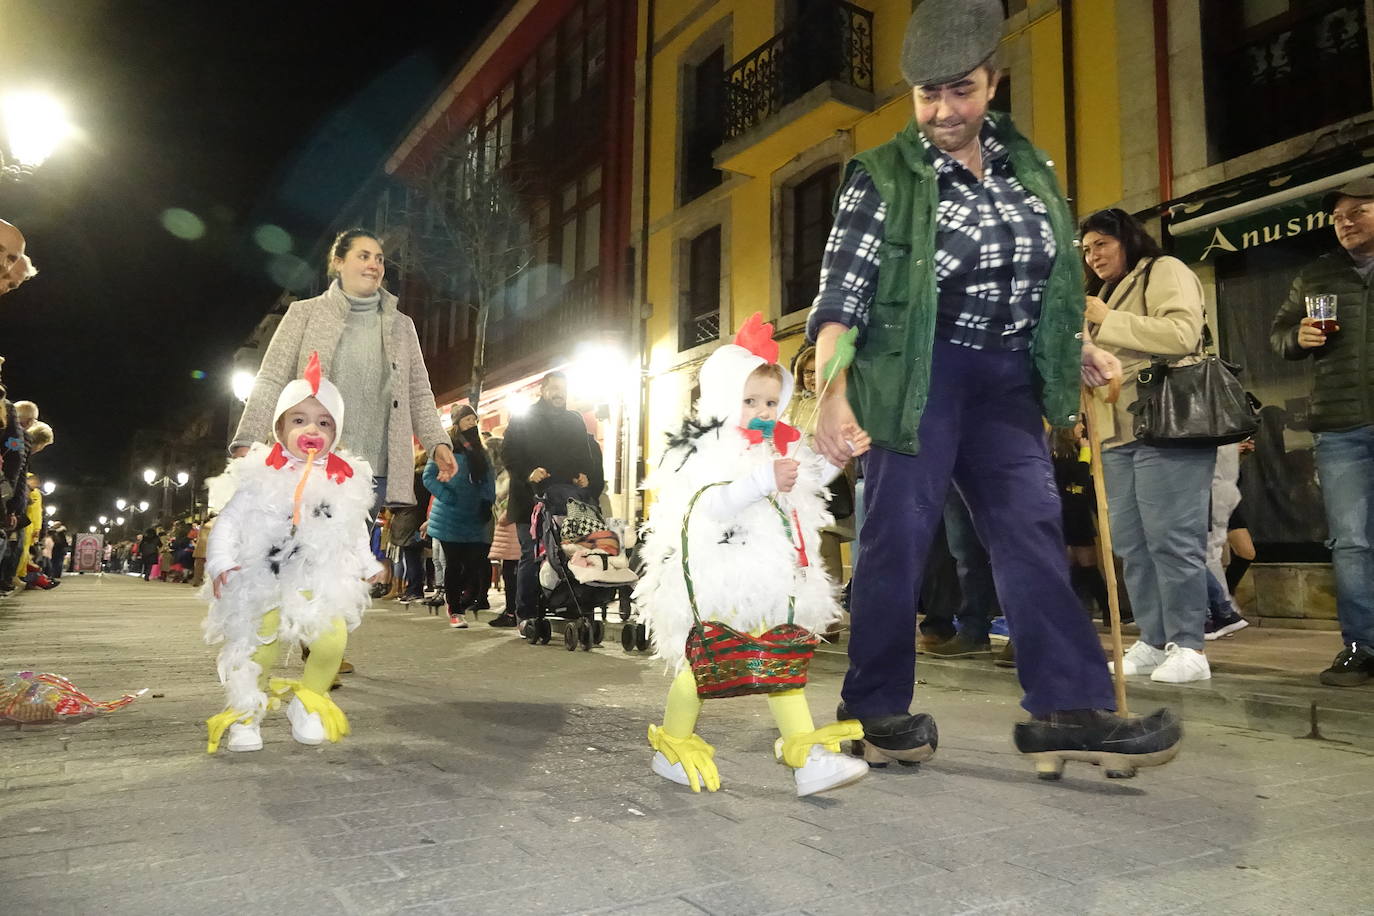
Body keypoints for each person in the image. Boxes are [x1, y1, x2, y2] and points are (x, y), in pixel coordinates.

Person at [808, 0, 1181, 779]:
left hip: (1007, 377)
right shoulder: (882, 175)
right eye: (927, 94)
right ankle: (874, 708)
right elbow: (841, 299)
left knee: (1031, 529)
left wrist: (1075, 348)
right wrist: (832, 395)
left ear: (994, 83)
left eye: (961, 91)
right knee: (898, 536)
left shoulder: (1029, 169)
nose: (943, 112)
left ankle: (1069, 711)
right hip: (920, 372)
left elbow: (1046, 280)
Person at [635, 313, 870, 797]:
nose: (763, 410)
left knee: (779, 659)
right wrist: (762, 481)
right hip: (721, 574)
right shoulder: (702, 448)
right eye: (749, 401)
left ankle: (805, 757)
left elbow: (803, 482)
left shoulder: (775, 443)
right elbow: (711, 503)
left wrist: (837, 455)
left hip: (768, 577)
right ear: (723, 399)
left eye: (771, 400)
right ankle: (673, 745)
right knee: (708, 661)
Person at [202, 353, 381, 753]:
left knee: (332, 641)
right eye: (298, 420)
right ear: (280, 429)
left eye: (324, 422)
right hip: (262, 579)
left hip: (315, 581)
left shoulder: (342, 481)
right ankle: (246, 716)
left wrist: (368, 563)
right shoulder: (259, 474)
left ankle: (309, 703)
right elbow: (228, 523)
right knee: (258, 649)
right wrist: (220, 562)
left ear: (336, 432)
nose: (311, 429)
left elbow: (351, 529)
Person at [230, 228, 456, 508]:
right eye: (363, 256)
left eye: (380, 259)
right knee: (307, 549)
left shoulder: (402, 326)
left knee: (354, 551)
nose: (374, 265)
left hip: (375, 472)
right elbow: (272, 380)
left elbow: (419, 393)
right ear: (338, 262)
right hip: (314, 462)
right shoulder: (304, 314)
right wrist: (247, 440)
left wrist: (437, 443)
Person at [1082, 207, 1214, 683]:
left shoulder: (1163, 271)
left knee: (1172, 539)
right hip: (1115, 433)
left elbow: (1182, 335)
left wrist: (1107, 319)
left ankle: (1190, 646)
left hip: (1167, 425)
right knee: (1133, 544)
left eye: (1102, 244)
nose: (1093, 255)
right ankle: (1155, 640)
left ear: (1127, 240)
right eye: (1087, 248)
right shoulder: (1100, 294)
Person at [1270, 177, 1374, 687]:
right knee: (1351, 541)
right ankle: (1360, 646)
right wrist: (1299, 336)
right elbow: (1279, 335)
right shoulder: (1317, 275)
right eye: (1338, 217)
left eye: (1358, 211)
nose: (1346, 222)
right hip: (1340, 424)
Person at [501, 372, 599, 628]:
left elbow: (585, 456)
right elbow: (509, 454)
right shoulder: (524, 418)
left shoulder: (574, 420)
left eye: (563, 389)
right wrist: (528, 473)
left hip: (567, 502)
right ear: (543, 390)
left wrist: (585, 476)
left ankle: (571, 605)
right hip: (530, 500)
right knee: (531, 556)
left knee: (572, 553)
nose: (559, 393)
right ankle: (526, 613)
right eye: (554, 388)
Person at [424, 405, 495, 629]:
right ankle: (455, 609)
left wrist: (487, 500)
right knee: (453, 564)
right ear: (457, 423)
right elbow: (429, 477)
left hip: (475, 515)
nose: (472, 424)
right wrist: (448, 497)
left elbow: (489, 479)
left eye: (474, 420)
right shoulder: (446, 448)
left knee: (474, 562)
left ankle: (463, 598)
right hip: (450, 516)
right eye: (467, 420)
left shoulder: (481, 452)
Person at [486, 437, 521, 612]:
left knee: (512, 569)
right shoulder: (502, 473)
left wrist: (505, 513)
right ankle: (512, 608)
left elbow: (511, 497)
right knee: (510, 569)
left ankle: (513, 610)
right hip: (506, 523)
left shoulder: (509, 474)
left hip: (510, 524)